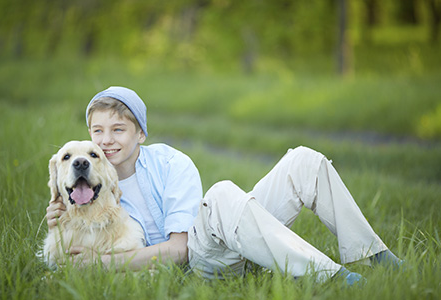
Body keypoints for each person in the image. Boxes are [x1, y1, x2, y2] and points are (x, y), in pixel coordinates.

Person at [46, 86, 402, 285]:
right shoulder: (87, 184)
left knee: (303, 161)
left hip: (205, 249)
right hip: (205, 272)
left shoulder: (172, 163)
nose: (107, 142)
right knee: (224, 196)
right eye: (98, 131)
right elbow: (66, 248)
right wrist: (59, 213)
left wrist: (103, 262)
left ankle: (376, 255)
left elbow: (180, 249)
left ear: (140, 133)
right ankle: (335, 279)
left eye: (119, 129)